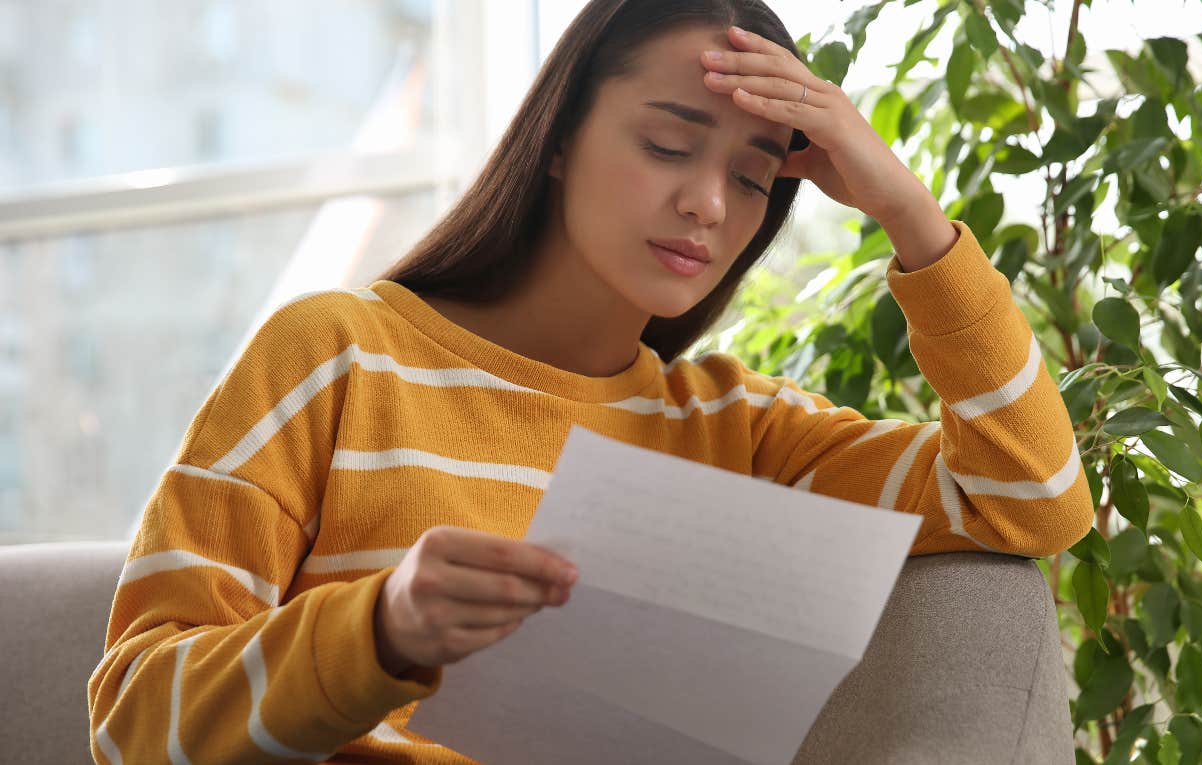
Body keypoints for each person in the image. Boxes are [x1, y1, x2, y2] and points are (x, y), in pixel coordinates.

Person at [87, 0, 1094, 762]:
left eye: (750, 177)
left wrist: (911, 217)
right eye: (666, 143)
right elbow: (133, 720)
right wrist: (381, 630)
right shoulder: (335, 355)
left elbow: (1031, 494)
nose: (705, 201)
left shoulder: (739, 433)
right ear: (560, 137)